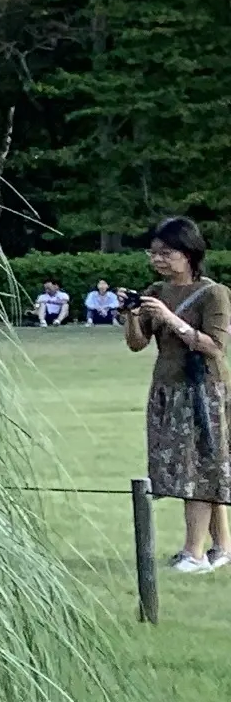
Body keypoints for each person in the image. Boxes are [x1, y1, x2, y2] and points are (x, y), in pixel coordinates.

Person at [124, 217, 229, 573]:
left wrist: (171, 318)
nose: (158, 260)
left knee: (196, 470)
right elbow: (137, 345)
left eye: (166, 253)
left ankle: (194, 553)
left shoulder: (213, 292)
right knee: (197, 468)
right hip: (167, 390)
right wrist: (132, 316)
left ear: (188, 254)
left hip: (202, 391)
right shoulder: (156, 291)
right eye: (153, 253)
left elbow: (215, 347)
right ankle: (223, 547)